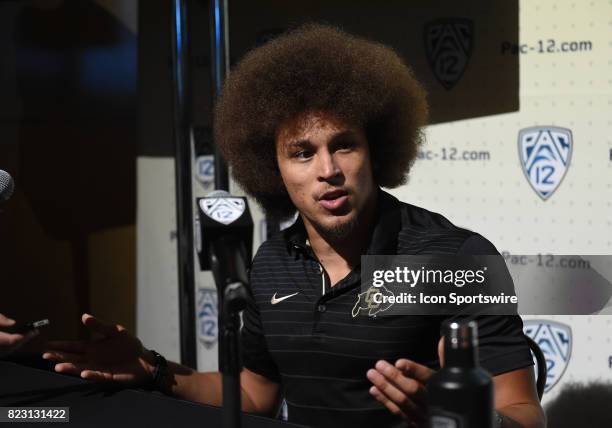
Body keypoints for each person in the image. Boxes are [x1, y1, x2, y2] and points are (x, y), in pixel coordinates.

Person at [44, 24, 545, 428]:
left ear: (378, 150)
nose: (328, 170)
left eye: (344, 144)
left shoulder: (454, 259)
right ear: (272, 169)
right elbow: (254, 394)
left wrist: (465, 418)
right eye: (302, 153)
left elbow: (525, 415)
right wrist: (154, 372)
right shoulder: (271, 262)